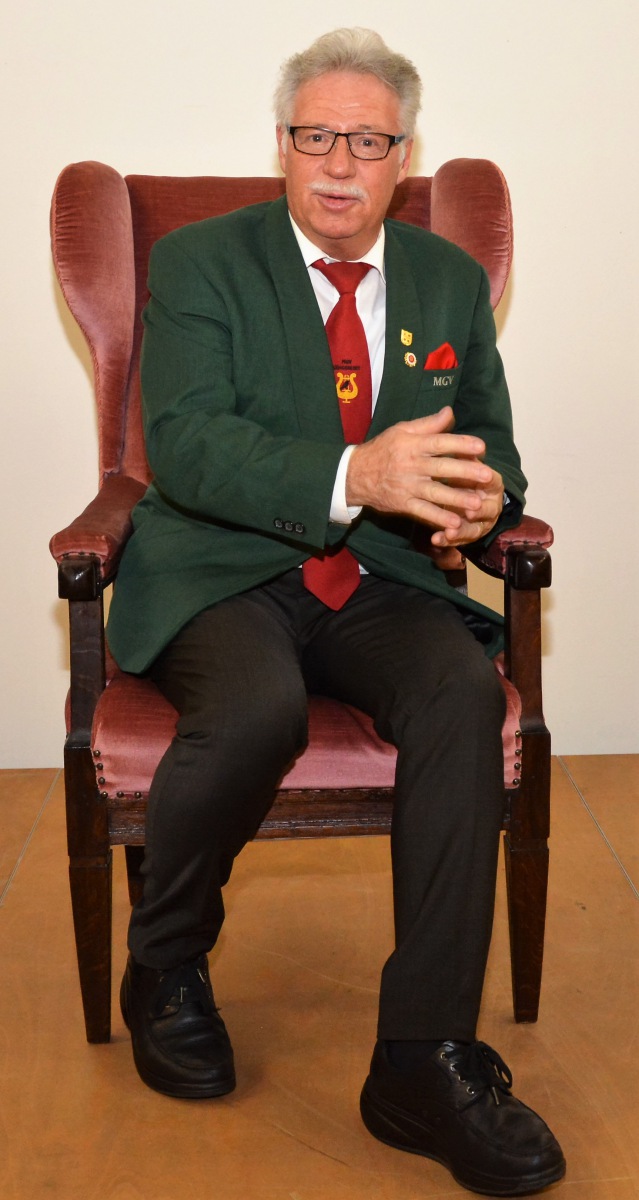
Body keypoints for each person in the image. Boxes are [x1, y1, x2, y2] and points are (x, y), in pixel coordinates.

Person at [107, 27, 565, 1196]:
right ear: (282, 144)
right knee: (255, 709)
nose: (340, 164)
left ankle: (422, 1057)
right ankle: (166, 962)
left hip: (383, 578)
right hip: (225, 565)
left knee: (462, 696)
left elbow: (492, 448)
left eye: (368, 141)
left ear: (404, 158)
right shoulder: (203, 262)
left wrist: (480, 506)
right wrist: (357, 472)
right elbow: (188, 445)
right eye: (317, 136)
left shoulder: (447, 279)